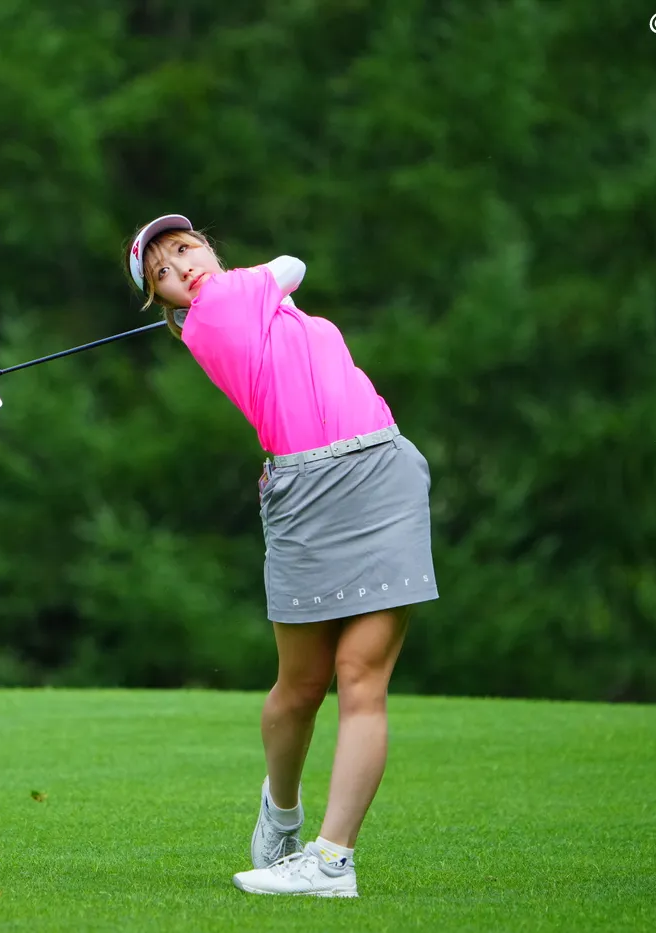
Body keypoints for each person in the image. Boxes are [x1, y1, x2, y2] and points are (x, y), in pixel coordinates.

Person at [125, 214, 438, 898]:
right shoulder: (214, 312)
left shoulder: (257, 306)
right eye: (162, 274)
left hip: (382, 473)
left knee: (361, 678)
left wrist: (266, 296)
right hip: (307, 492)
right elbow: (291, 264)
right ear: (165, 301)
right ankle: (282, 811)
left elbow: (286, 295)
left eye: (185, 249)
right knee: (300, 686)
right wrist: (243, 283)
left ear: (207, 245)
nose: (181, 269)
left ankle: (332, 861)